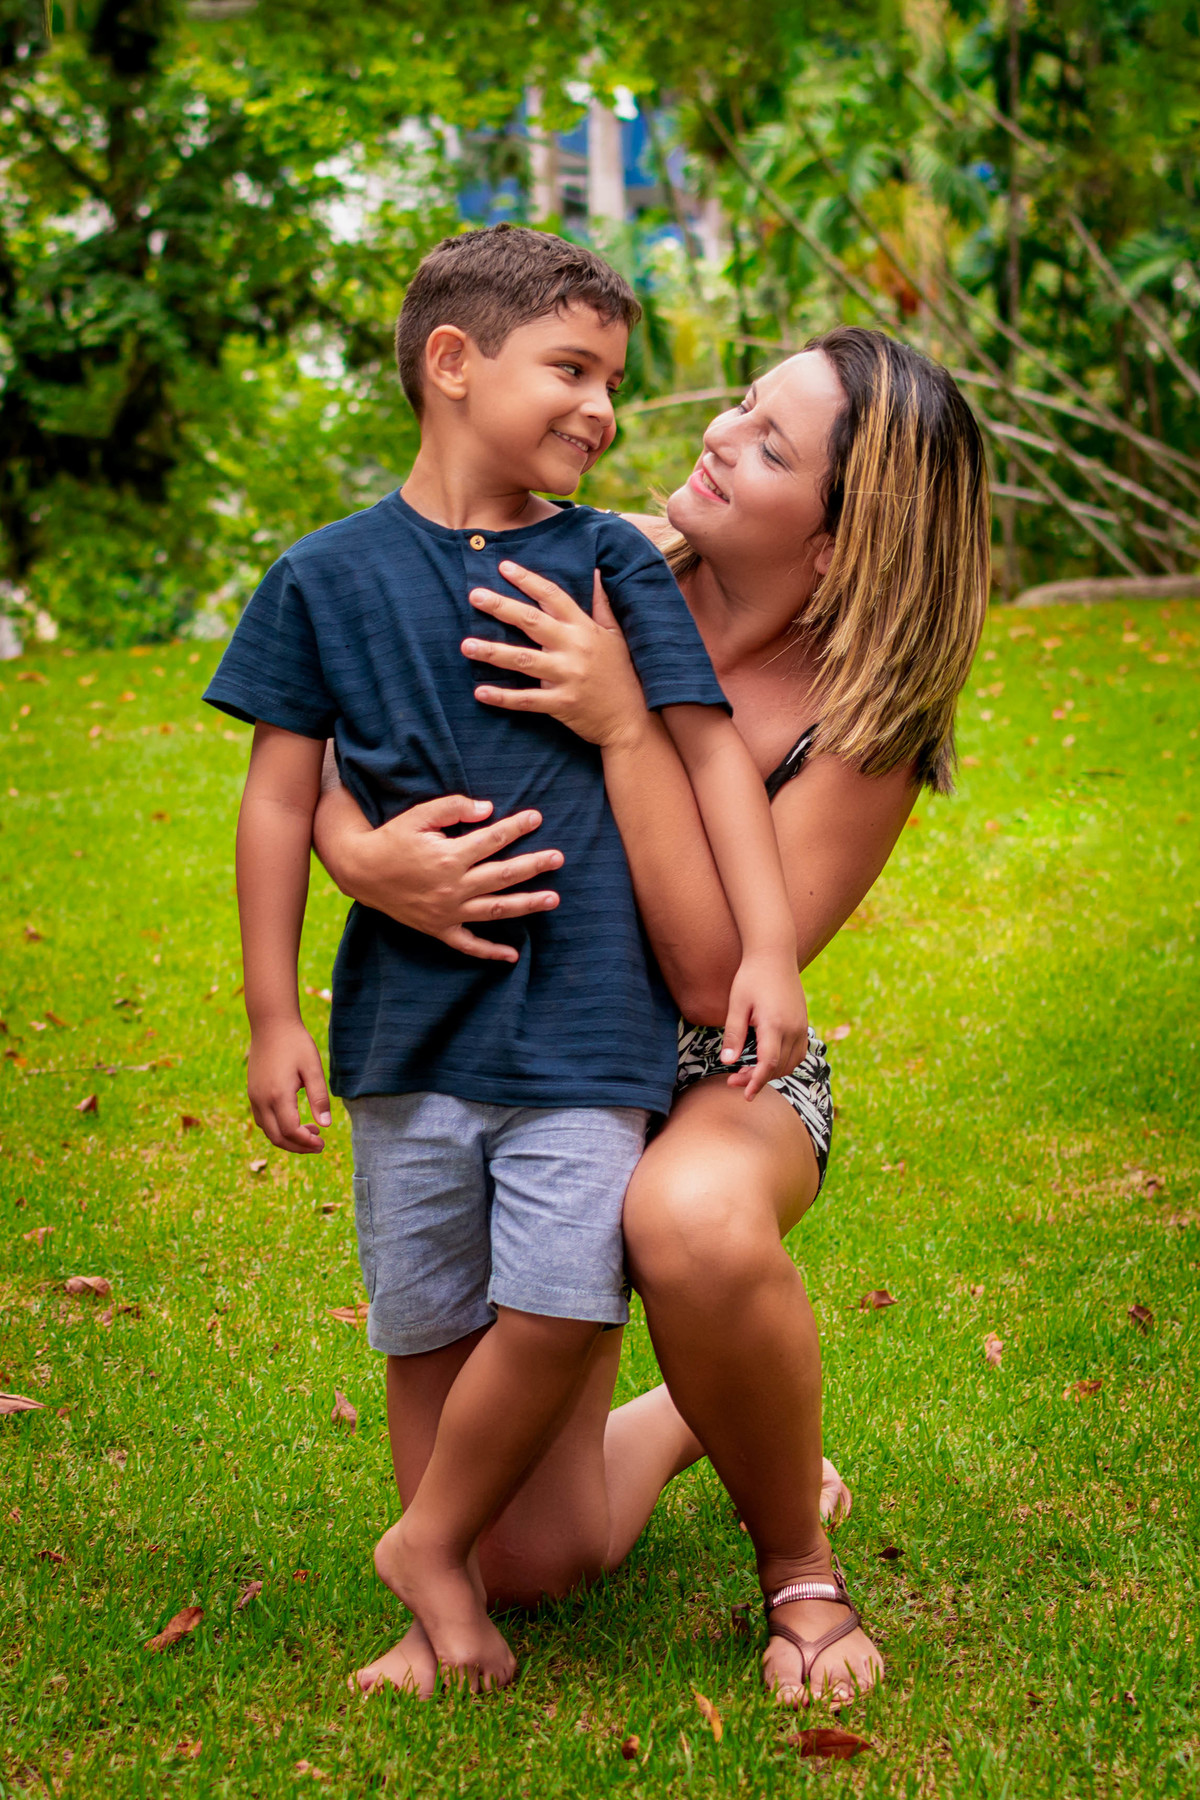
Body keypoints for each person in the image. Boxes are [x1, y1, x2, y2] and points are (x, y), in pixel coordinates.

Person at [313, 325, 991, 1707]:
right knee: (532, 1559)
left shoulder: (862, 726)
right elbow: (338, 735)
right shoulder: (587, 558)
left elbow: (711, 975)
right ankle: (705, 1409)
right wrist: (355, 851)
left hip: (716, 1074)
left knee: (680, 1217)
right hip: (533, 1045)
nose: (718, 433)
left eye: (770, 442)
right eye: (743, 404)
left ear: (843, 537)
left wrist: (629, 729)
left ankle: (797, 1565)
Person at [202, 225, 811, 1693]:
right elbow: (282, 796)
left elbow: (711, 761)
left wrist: (773, 951)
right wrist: (273, 1012)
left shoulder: (608, 562)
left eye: (615, 379)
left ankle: (431, 1550)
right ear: (454, 366)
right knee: (425, 1325)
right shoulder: (324, 577)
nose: (605, 410)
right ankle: (442, 1598)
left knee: (556, 1299)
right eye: (576, 370)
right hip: (406, 1036)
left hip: (586, 1034)